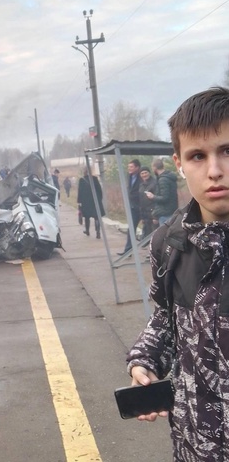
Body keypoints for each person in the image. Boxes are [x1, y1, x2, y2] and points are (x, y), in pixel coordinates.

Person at [126, 86, 229, 461]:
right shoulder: (168, 245)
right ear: (179, 163)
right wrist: (144, 361)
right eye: (198, 156)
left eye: (227, 151)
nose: (215, 170)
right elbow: (168, 319)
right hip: (195, 448)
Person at [146, 158, 179, 226]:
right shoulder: (169, 177)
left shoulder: (163, 180)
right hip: (172, 210)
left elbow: (165, 198)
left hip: (165, 213)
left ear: (154, 167)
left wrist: (153, 197)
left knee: (164, 234)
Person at [118, 159, 141, 255]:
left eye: (131, 167)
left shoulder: (142, 176)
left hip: (142, 207)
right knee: (131, 228)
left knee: (149, 230)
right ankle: (128, 250)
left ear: (137, 167)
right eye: (128, 167)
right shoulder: (130, 176)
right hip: (132, 207)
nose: (129, 169)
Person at [77, 168, 105, 239]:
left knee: (87, 217)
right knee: (97, 217)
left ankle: (87, 230)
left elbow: (80, 192)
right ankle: (98, 232)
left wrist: (79, 201)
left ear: (84, 172)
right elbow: (99, 190)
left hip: (86, 202)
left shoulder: (82, 180)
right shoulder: (95, 179)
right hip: (95, 201)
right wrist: (99, 199)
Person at [138, 166, 157, 241]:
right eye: (142, 173)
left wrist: (155, 216)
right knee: (147, 234)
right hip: (145, 213)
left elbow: (156, 199)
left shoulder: (154, 183)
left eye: (146, 172)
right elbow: (141, 201)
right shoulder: (141, 185)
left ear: (149, 173)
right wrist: (142, 216)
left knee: (154, 234)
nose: (144, 175)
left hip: (152, 212)